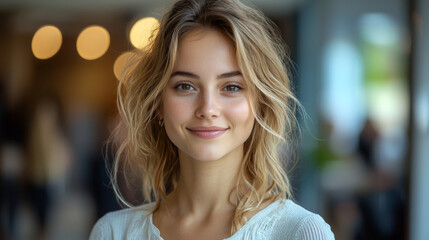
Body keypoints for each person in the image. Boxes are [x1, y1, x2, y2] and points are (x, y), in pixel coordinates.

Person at [89, 0, 335, 239]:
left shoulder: (300, 232)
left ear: (260, 104)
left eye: (231, 87)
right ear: (158, 104)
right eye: (185, 86)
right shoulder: (113, 232)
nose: (208, 109)